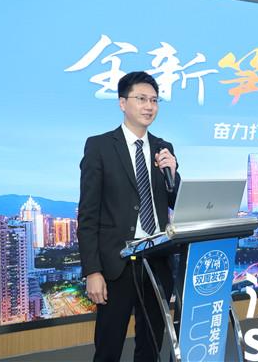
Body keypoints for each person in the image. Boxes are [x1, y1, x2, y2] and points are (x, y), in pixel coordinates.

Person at [77, 71, 180, 361]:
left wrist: (174, 173)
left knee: (151, 347)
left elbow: (176, 201)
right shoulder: (99, 146)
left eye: (155, 100)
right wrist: (92, 271)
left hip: (157, 261)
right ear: (122, 103)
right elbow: (88, 215)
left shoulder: (163, 148)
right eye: (142, 99)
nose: (149, 106)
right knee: (108, 349)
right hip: (116, 265)